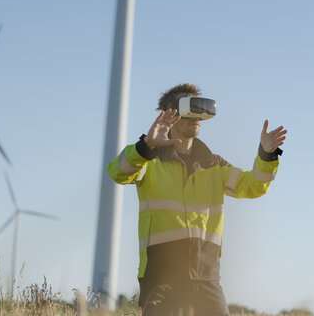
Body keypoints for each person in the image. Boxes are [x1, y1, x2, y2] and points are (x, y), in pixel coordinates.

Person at [107, 83, 287, 316]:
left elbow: (254, 186)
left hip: (206, 277)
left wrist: (266, 155)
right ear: (170, 115)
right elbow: (117, 172)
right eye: (189, 108)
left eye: (200, 109)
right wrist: (147, 145)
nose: (197, 115)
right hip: (162, 276)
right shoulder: (149, 162)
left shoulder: (214, 165)